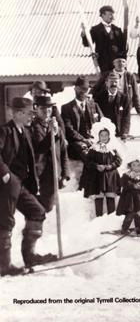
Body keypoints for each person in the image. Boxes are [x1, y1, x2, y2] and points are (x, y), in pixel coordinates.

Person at [0, 98, 56, 276]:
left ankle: (29, 256)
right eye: (29, 112)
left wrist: (51, 135)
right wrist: (5, 173)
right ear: (18, 113)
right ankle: (4, 265)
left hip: (20, 185)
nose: (32, 115)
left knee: (37, 212)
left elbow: (38, 149)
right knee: (5, 223)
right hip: (5, 185)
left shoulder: (25, 131)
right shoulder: (5, 131)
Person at [31, 96, 70, 212]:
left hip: (53, 173)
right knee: (40, 207)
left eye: (49, 108)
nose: (47, 111)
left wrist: (65, 175)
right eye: (43, 108)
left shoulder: (55, 127)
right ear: (36, 108)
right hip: (38, 174)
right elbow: (38, 149)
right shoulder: (32, 127)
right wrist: (51, 135)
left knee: (48, 207)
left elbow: (63, 152)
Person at [80, 127, 122, 217]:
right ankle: (98, 218)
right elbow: (88, 161)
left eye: (106, 135)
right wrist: (96, 166)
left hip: (110, 176)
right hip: (97, 177)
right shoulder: (94, 148)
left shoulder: (112, 149)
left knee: (110, 196)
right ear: (98, 136)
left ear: (109, 136)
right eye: (102, 135)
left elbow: (119, 161)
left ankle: (111, 218)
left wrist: (110, 166)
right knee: (99, 196)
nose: (104, 137)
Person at [61, 76, 103, 161]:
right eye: (81, 88)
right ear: (75, 88)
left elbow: (102, 124)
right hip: (77, 143)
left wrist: (97, 139)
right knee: (85, 151)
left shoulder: (94, 105)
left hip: (94, 140)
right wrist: (84, 140)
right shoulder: (66, 108)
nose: (83, 91)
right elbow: (69, 129)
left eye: (86, 89)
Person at [81, 5, 127, 72]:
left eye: (112, 14)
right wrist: (84, 34)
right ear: (103, 15)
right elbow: (87, 44)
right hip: (102, 63)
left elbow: (123, 47)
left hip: (116, 63)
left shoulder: (118, 30)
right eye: (109, 14)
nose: (112, 17)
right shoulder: (95, 29)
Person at [116, 158, 140, 237]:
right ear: (130, 166)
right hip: (131, 199)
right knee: (130, 213)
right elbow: (123, 182)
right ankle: (124, 228)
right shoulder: (127, 175)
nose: (136, 167)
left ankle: (139, 229)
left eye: (138, 165)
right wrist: (133, 185)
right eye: (133, 165)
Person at [93, 71, 132, 139]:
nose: (114, 84)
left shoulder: (124, 98)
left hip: (118, 134)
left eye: (116, 82)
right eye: (111, 82)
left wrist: (125, 132)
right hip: (103, 134)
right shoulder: (99, 98)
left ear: (119, 83)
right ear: (106, 83)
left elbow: (126, 117)